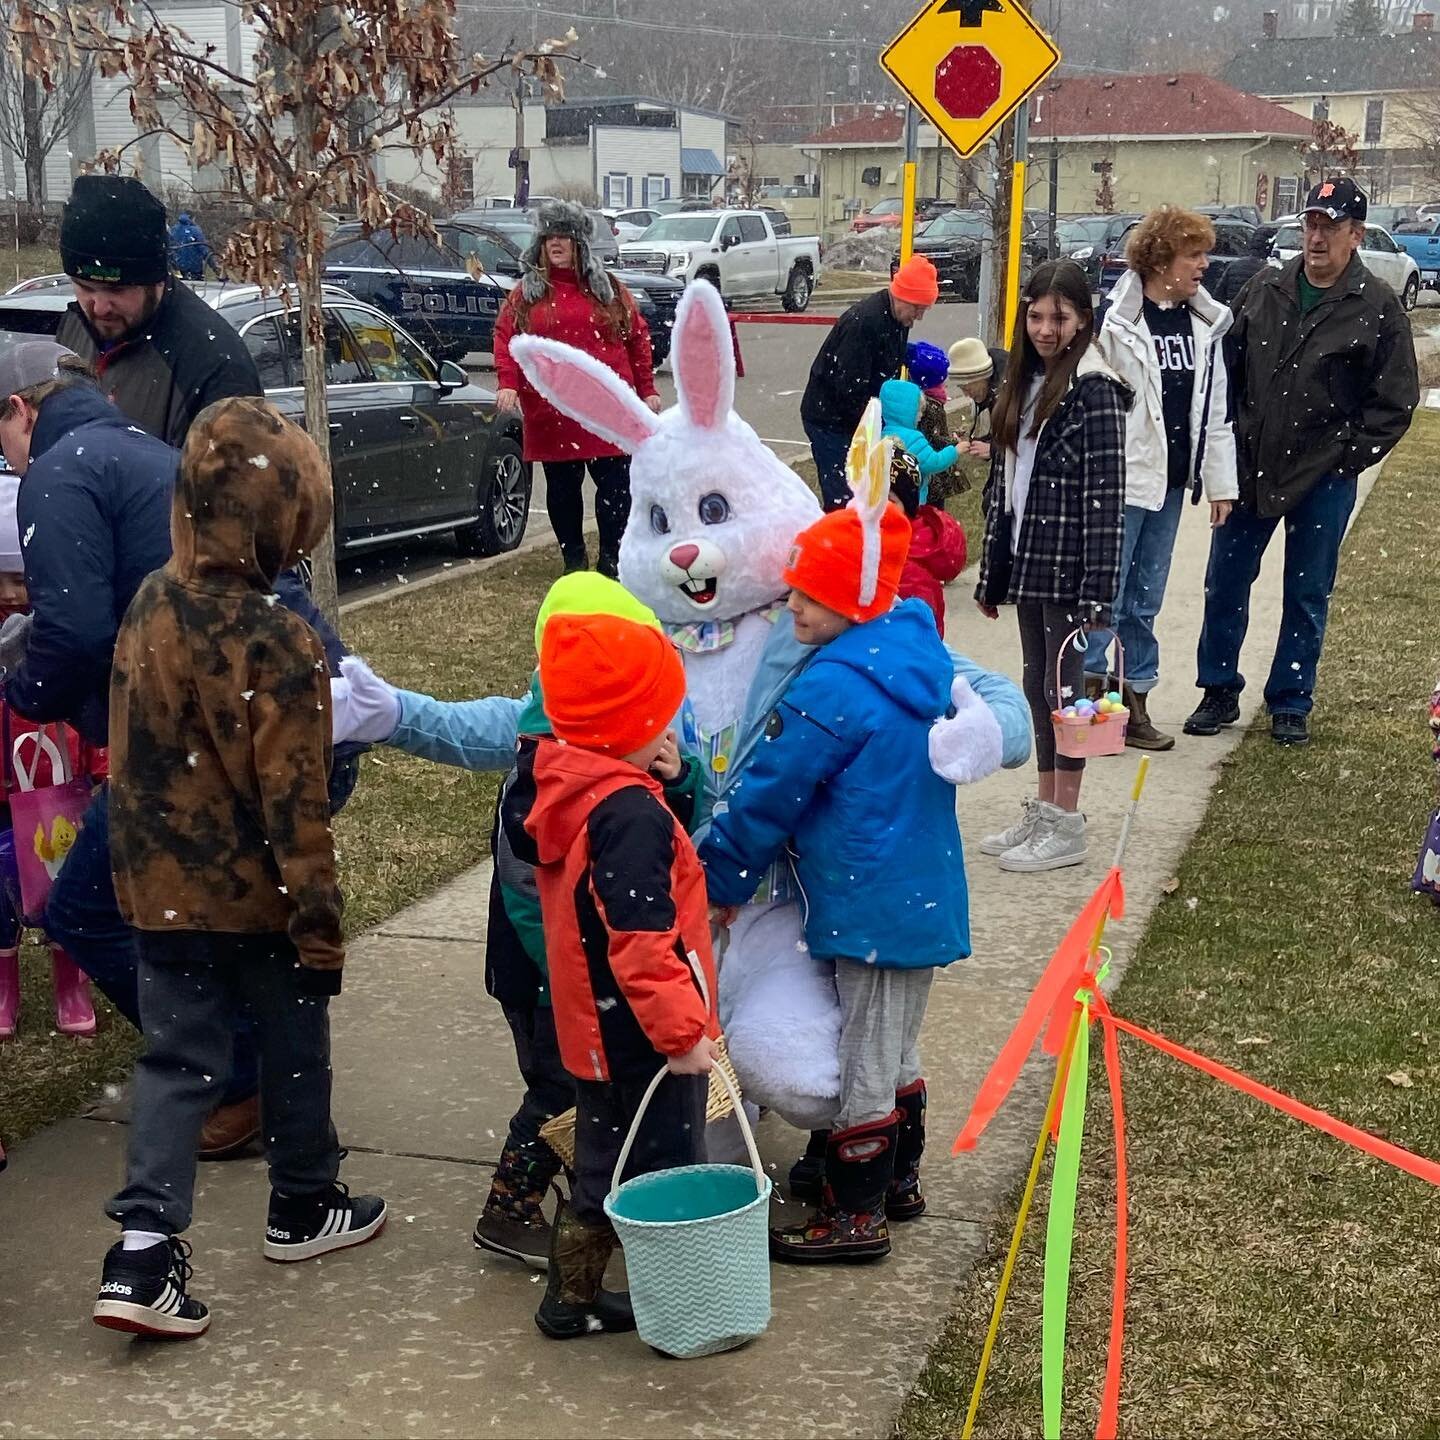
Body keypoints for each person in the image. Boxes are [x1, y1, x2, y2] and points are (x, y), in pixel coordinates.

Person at [0, 341, 356, 1160]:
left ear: (22, 409)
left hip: (203, 739)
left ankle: (237, 1077)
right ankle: (271, 1096)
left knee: (94, 909)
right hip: (273, 711)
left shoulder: (58, 470)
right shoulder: (132, 449)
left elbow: (76, 631)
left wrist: (22, 687)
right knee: (241, 920)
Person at [92, 397, 386, 1341]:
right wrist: (319, 923)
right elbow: (294, 804)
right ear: (287, 521)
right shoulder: (278, 639)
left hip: (160, 892)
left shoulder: (148, 604)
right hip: (258, 895)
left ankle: (142, 1250)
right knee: (294, 1041)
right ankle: (303, 1201)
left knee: (176, 1062)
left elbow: (130, 759)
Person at [700, 498, 983, 1264]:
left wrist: (718, 871)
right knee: (891, 1044)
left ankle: (856, 1216)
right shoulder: (897, 659)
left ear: (851, 601)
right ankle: (895, 1179)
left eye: (806, 592)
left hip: (873, 903)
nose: (789, 602)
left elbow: (770, 792)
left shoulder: (836, 689)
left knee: (865, 1054)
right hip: (902, 897)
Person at [511, 611, 717, 1338]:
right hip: (638, 1034)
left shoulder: (573, 783)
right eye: (659, 715)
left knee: (605, 1161)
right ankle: (682, 1307)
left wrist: (653, 778)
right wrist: (683, 1033)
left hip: (596, 1024)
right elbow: (639, 939)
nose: (669, 728)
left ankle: (571, 1298)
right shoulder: (627, 814)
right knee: (665, 1169)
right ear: (627, 723)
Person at [1185, 178, 1418, 747]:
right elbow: (1223, 375)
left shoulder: (1377, 306)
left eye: (1330, 226)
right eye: (1311, 224)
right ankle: (1218, 688)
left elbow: (1394, 402)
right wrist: (1225, 447)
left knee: (1307, 590)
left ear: (1355, 235)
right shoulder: (1264, 289)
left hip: (1323, 477)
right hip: (1250, 467)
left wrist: (1346, 458)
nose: (1316, 236)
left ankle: (1291, 700)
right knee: (1225, 582)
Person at [974, 260, 1129, 872]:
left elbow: (1106, 500)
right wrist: (993, 573)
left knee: (1073, 694)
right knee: (1040, 685)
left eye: (1058, 317)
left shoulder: (1095, 389)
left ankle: (1068, 820)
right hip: (1030, 560)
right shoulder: (1026, 381)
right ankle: (1045, 807)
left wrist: (1099, 592)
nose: (1044, 328)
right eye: (1035, 315)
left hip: (1072, 565)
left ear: (1082, 320)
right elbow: (1005, 486)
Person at [1082, 207, 1239, 751]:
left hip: (1171, 486)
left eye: (1204, 253)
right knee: (1104, 593)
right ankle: (1089, 707)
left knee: (1145, 599)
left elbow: (1215, 411)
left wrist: (1221, 484)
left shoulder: (1204, 324)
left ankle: (1135, 701)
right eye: (1193, 254)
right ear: (1159, 259)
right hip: (1120, 484)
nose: (1204, 264)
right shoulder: (1118, 322)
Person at [493, 200, 661, 578]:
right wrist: (508, 383)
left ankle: (611, 559)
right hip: (553, 409)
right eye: (549, 236)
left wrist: (647, 389)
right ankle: (573, 560)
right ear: (539, 244)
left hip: (607, 407)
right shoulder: (526, 295)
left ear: (580, 245)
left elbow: (637, 336)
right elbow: (506, 338)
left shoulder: (608, 290)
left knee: (617, 487)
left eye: (564, 237)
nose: (556, 244)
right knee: (563, 489)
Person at [0, 473, 101, 1040]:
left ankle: (71, 978)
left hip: (55, 780)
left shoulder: (54, 634)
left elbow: (84, 693)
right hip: (3, 788)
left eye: (23, 580)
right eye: (4, 580)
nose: (14, 594)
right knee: (0, 886)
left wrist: (101, 761)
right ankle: (4, 979)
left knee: (59, 879)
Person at [55, 175, 262, 448]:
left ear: (157, 281)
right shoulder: (74, 325)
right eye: (84, 287)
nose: (100, 307)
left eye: (117, 291)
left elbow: (233, 488)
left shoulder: (217, 367)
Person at [801, 256, 939, 509]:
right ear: (903, 297)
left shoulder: (898, 318)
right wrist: (878, 424)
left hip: (858, 412)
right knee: (847, 492)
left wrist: (909, 353)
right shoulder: (864, 322)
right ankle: (842, 536)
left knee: (868, 487)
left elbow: (884, 357)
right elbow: (849, 387)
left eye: (924, 310)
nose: (919, 317)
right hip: (830, 418)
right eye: (918, 309)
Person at [888, 450, 967, 638]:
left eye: (890, 500)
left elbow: (918, 633)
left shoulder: (908, 566)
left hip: (901, 655)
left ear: (906, 507)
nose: (878, 506)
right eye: (870, 496)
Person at [905, 340, 966, 504]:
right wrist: (954, 442)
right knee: (933, 509)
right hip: (933, 469)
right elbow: (932, 438)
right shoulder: (931, 406)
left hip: (925, 464)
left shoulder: (920, 401)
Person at [1210, 224, 1276, 306]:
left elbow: (1218, 296)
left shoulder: (1234, 266)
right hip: (1256, 315)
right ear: (1269, 246)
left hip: (1233, 313)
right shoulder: (1270, 271)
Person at [167, 211, 218, 281]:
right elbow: (203, 249)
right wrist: (214, 267)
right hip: (194, 270)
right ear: (192, 218)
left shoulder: (173, 230)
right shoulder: (195, 230)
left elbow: (170, 249)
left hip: (178, 270)